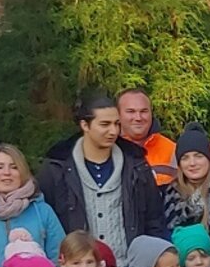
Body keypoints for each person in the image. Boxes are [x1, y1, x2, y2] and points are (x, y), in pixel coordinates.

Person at [38, 93, 170, 250]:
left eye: (116, 124)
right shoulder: (57, 168)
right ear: (85, 125)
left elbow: (154, 220)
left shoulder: (137, 165)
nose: (113, 131)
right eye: (105, 124)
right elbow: (46, 225)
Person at [118, 87, 178, 186]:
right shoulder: (109, 150)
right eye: (131, 111)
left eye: (144, 111)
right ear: (118, 115)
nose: (138, 118)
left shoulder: (172, 150)